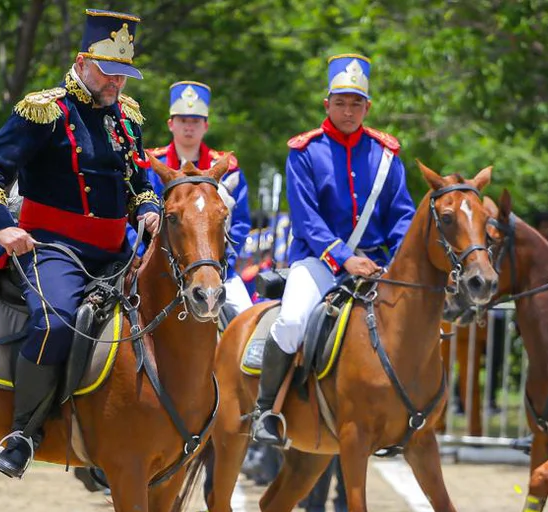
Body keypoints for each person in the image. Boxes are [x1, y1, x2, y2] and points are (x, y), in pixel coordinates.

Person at [0, 9, 162, 478]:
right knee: (55, 321)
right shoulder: (45, 110)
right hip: (54, 247)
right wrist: (2, 225)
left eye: (123, 73)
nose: (117, 81)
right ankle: (23, 432)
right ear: (82, 61)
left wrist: (149, 206)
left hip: (116, 253)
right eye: (108, 70)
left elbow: (138, 180)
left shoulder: (127, 116)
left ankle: (112, 434)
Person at [251, 53, 415, 446]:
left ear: (367, 107)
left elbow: (403, 214)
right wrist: (345, 258)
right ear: (327, 104)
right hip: (319, 262)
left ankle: (405, 416)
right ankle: (266, 410)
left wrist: (393, 263)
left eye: (356, 102)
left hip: (376, 265)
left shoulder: (386, 154)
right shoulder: (304, 152)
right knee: (291, 322)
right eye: (340, 102)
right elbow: (307, 220)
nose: (348, 110)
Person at [145, 81, 252, 317]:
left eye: (195, 121)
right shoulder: (151, 166)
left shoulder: (228, 169)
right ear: (171, 124)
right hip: (157, 270)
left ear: (206, 126)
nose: (189, 127)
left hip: (216, 270)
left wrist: (223, 263)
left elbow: (241, 223)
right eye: (183, 120)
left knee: (246, 319)